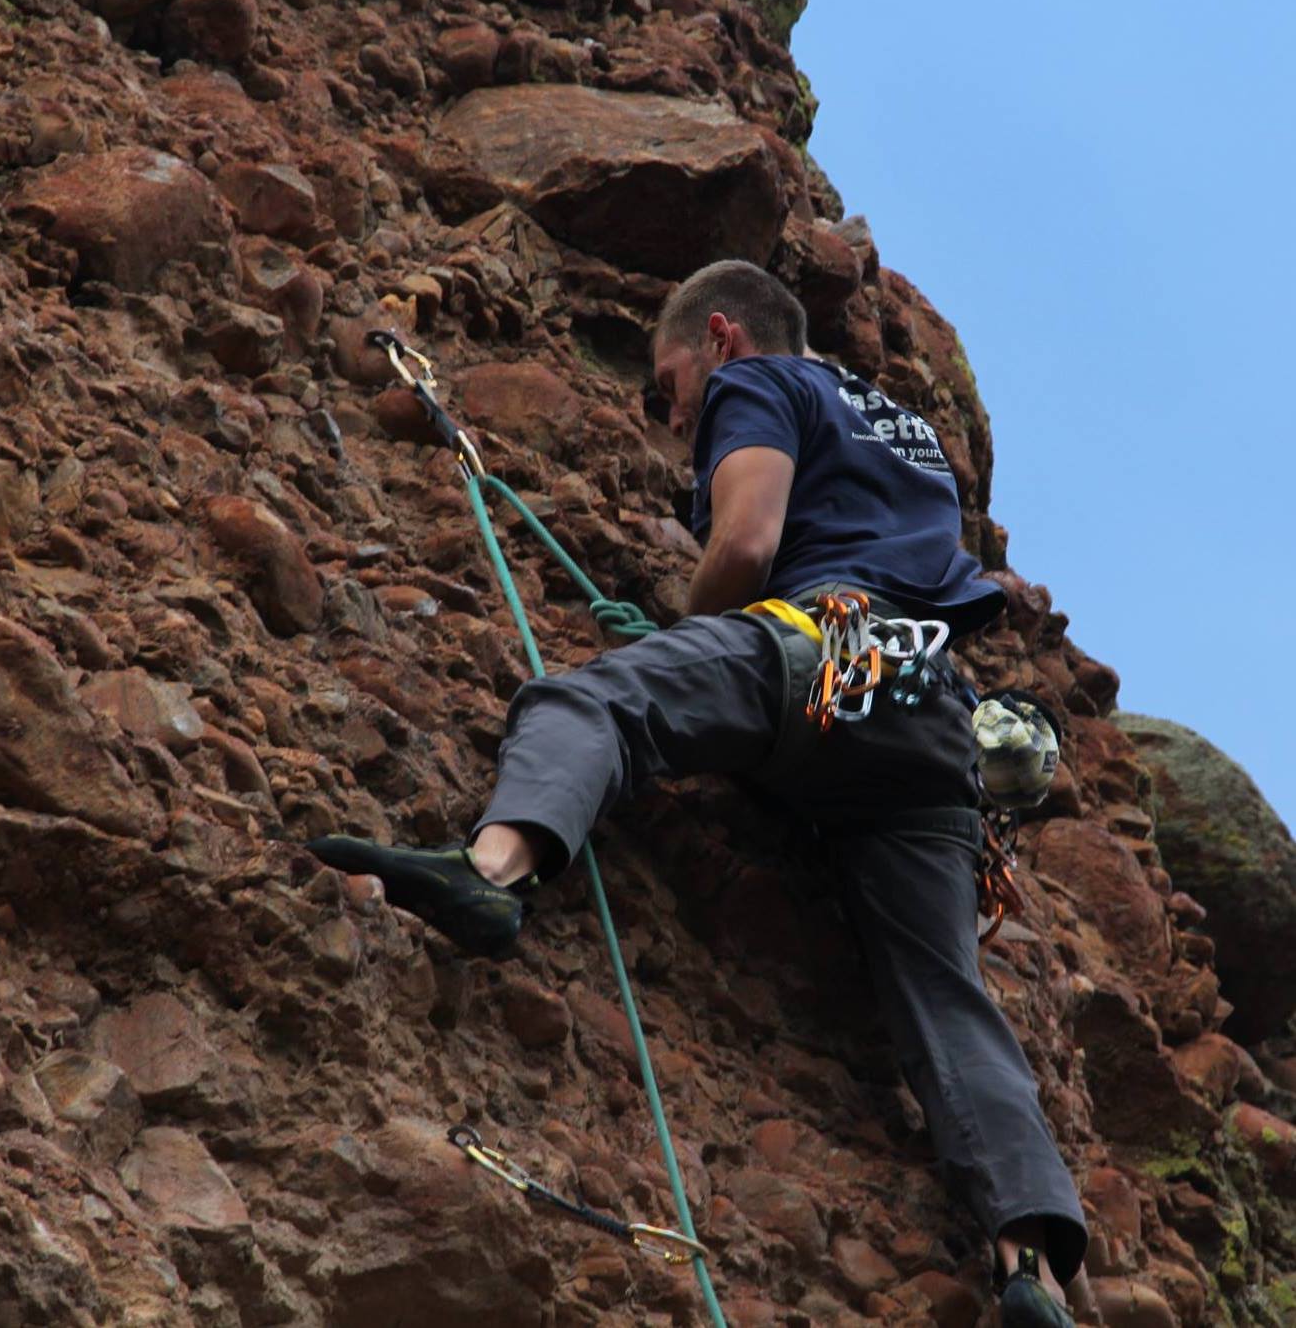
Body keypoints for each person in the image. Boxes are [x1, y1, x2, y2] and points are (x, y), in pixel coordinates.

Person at [308, 260, 1087, 1325]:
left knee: (588, 705)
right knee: (947, 999)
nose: (674, 416)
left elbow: (749, 542)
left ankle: (491, 872)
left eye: (668, 384)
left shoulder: (757, 385)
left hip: (826, 649)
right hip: (932, 718)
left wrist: (687, 631)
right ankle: (1030, 1270)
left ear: (720, 337)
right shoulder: (903, 430)